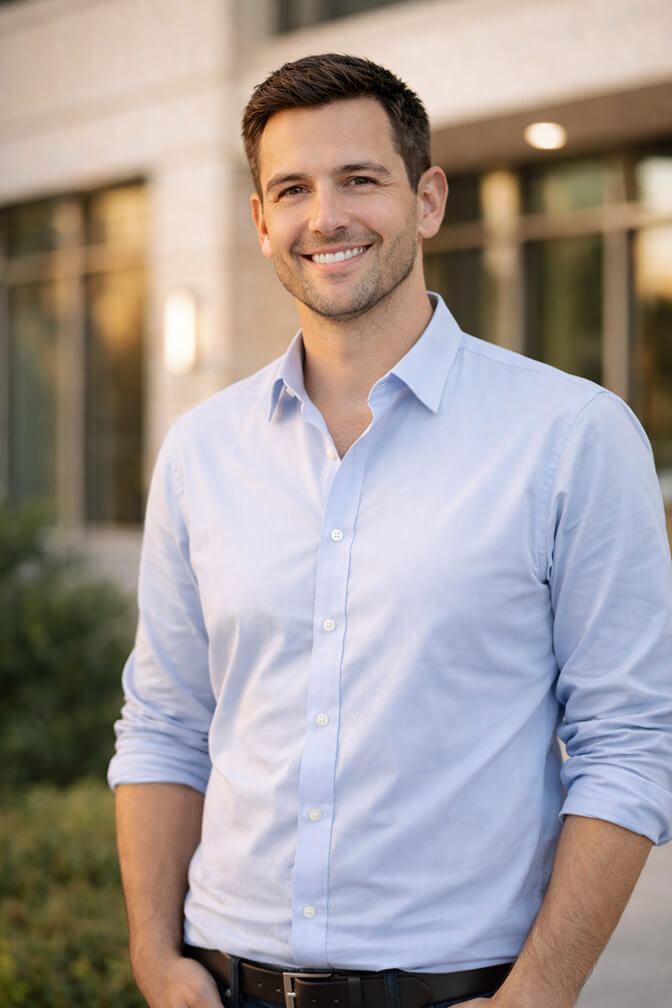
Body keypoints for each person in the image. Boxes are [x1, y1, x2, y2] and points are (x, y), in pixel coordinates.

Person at [108, 54, 672, 1008]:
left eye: (359, 179)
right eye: (292, 189)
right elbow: (166, 726)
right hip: (222, 983)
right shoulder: (201, 450)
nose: (324, 217)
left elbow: (629, 741)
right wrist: (157, 964)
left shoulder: (572, 436)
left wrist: (538, 996)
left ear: (427, 199)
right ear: (260, 221)